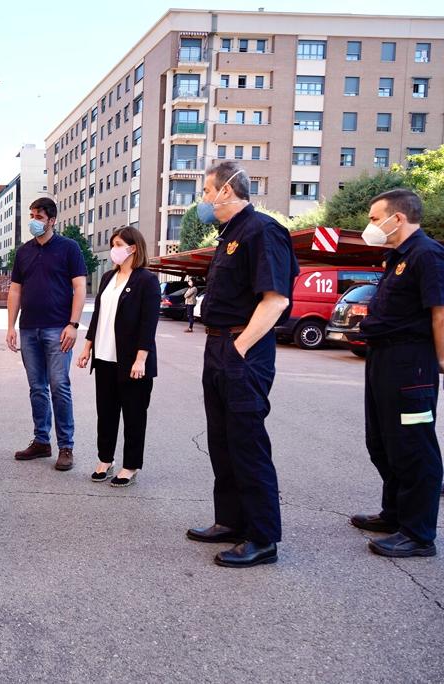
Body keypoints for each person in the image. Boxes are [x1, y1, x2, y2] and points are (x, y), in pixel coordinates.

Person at [187, 161, 298, 569]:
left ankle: (262, 538)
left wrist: (238, 348)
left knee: (247, 443)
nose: (203, 199)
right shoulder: (229, 235)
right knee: (222, 440)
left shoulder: (263, 231)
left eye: (206, 191)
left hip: (242, 350)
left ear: (226, 191)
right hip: (218, 345)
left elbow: (276, 300)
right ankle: (231, 521)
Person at [351, 189, 444, 558]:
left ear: (398, 218)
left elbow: (440, 312)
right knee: (382, 441)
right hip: (384, 359)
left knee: (413, 445)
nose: (370, 226)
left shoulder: (427, 254)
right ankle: (394, 515)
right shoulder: (398, 257)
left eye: (375, 218)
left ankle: (418, 534)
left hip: (411, 364)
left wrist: (441, 360)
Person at [7, 197, 88, 471]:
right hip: (29, 329)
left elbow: (79, 288)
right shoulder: (23, 252)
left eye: (39, 217)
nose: (34, 221)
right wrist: (11, 326)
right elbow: (15, 290)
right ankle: (42, 441)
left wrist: (73, 325)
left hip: (58, 329)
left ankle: (66, 447)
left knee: (59, 386)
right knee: (37, 388)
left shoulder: (69, 248)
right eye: (31, 216)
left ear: (52, 220)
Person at [77, 227, 160, 487]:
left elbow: (148, 323)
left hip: (132, 362)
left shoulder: (146, 280)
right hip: (104, 357)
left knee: (134, 415)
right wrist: (87, 347)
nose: (114, 249)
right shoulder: (108, 278)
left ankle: (130, 466)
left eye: (118, 244)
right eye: (113, 244)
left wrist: (141, 358)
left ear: (133, 248)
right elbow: (98, 316)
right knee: (106, 413)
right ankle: (105, 459)